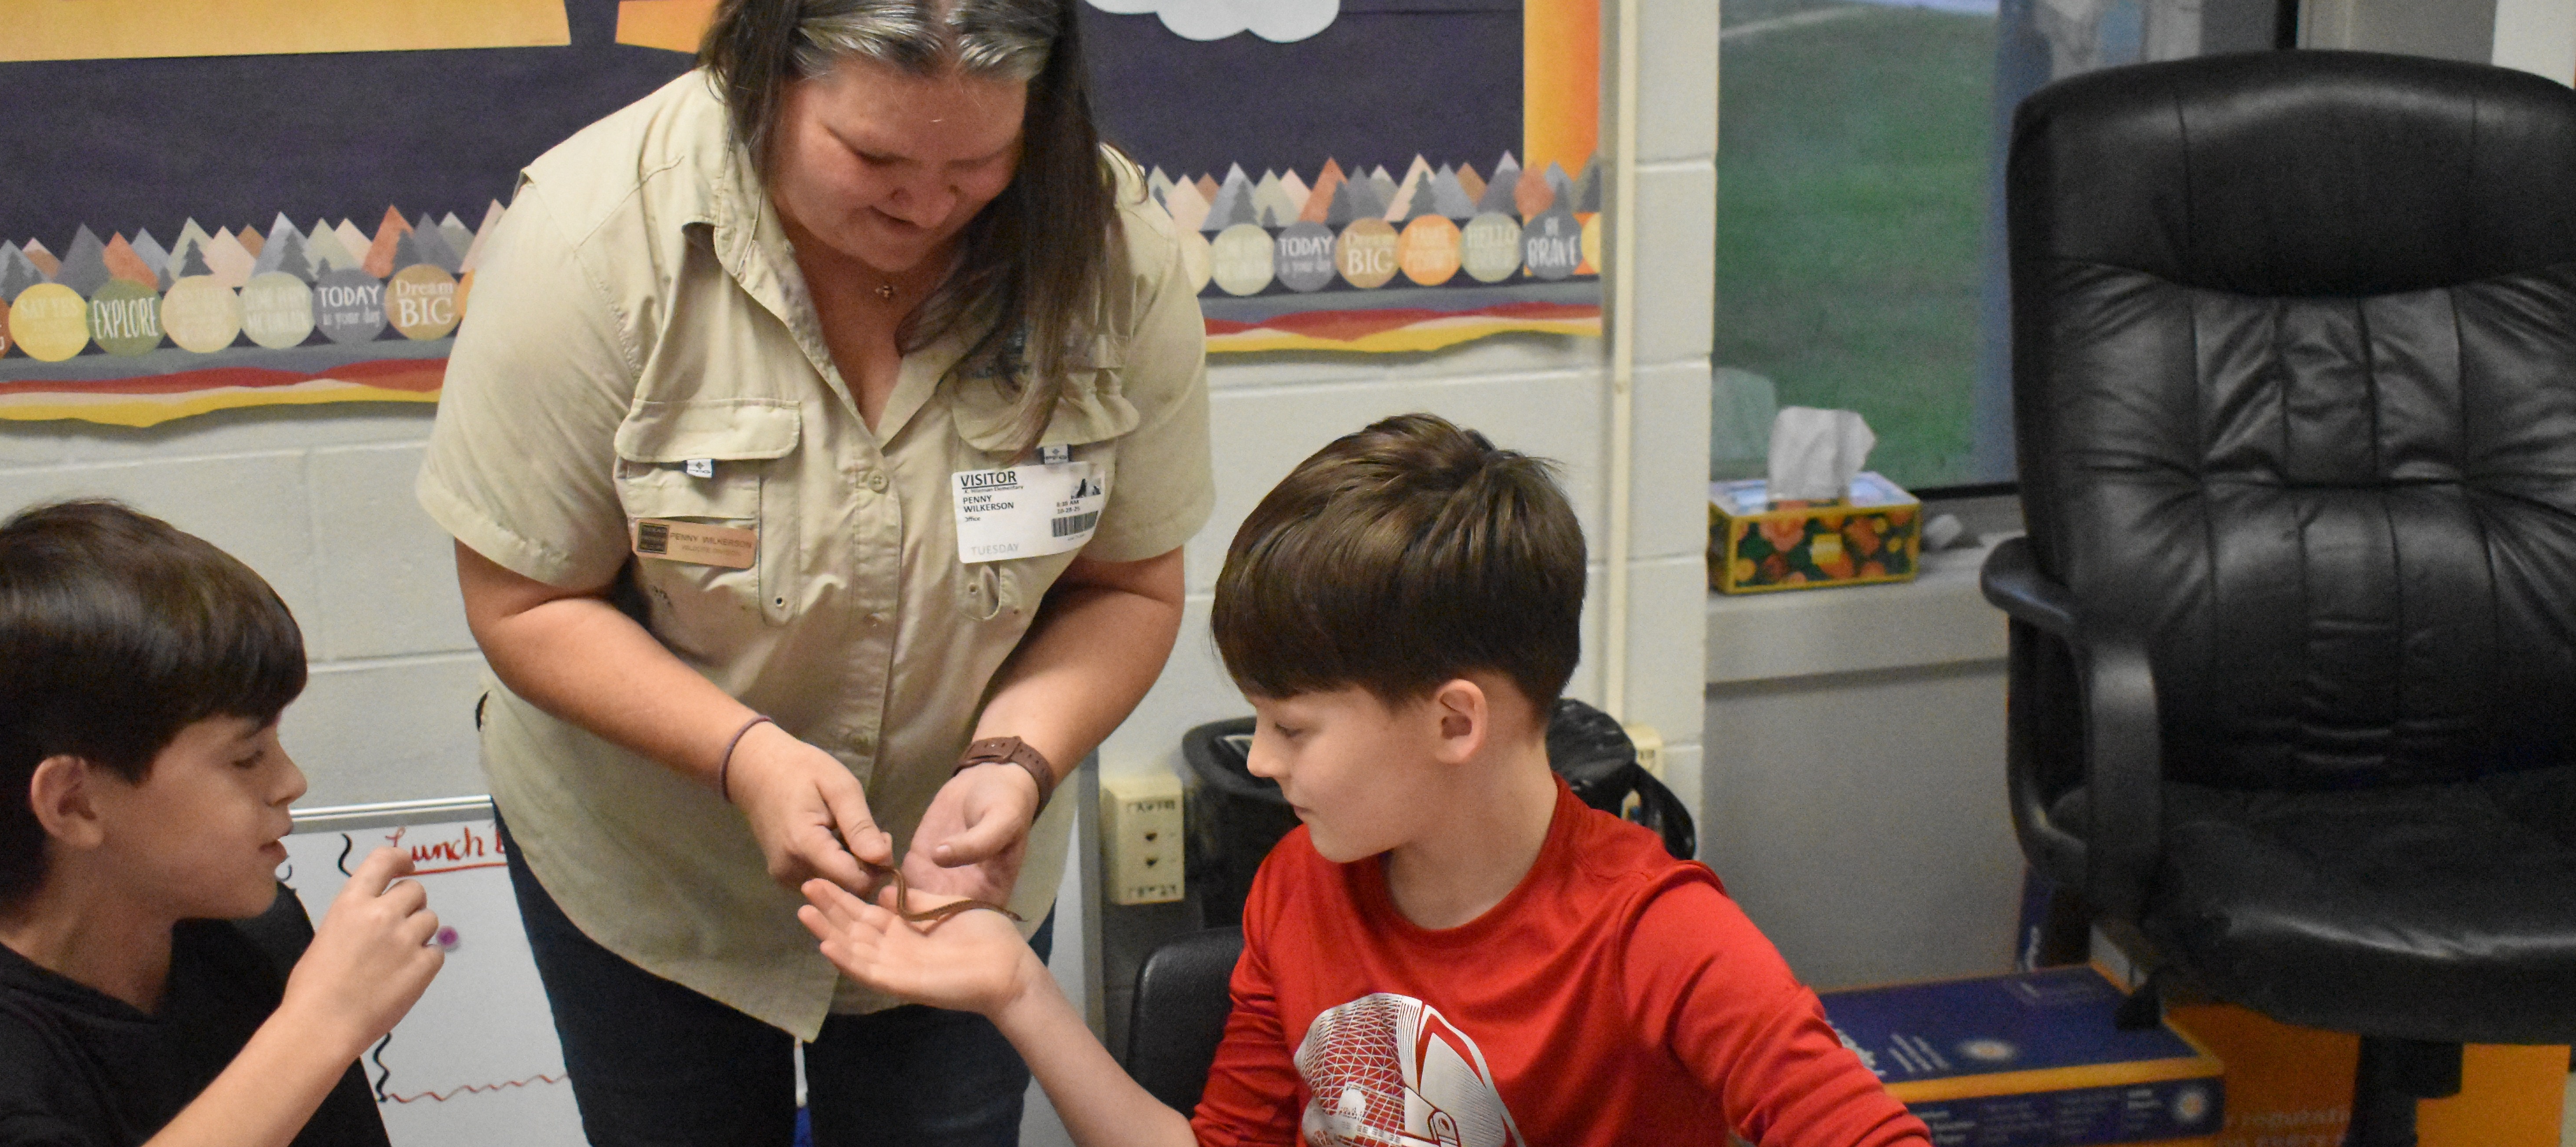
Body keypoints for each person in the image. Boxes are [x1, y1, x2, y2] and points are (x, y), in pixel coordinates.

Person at [413, 0, 1209, 1141]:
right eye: (874, 156)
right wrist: (745, 758)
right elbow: (526, 601)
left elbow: (1127, 587)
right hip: (654, 874)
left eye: (981, 161)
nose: (927, 204)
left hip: (954, 879)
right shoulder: (593, 238)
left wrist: (1017, 759)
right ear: (763, 77)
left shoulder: (1109, 245)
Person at [798, 414, 1932, 1147]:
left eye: (1293, 723)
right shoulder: (1300, 883)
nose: (1264, 757)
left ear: (1453, 720)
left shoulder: (1659, 935)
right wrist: (1016, 990)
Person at [0, 500, 445, 1147]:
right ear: (75, 804)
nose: (291, 782)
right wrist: (321, 1024)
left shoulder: (251, 934)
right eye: (246, 757)